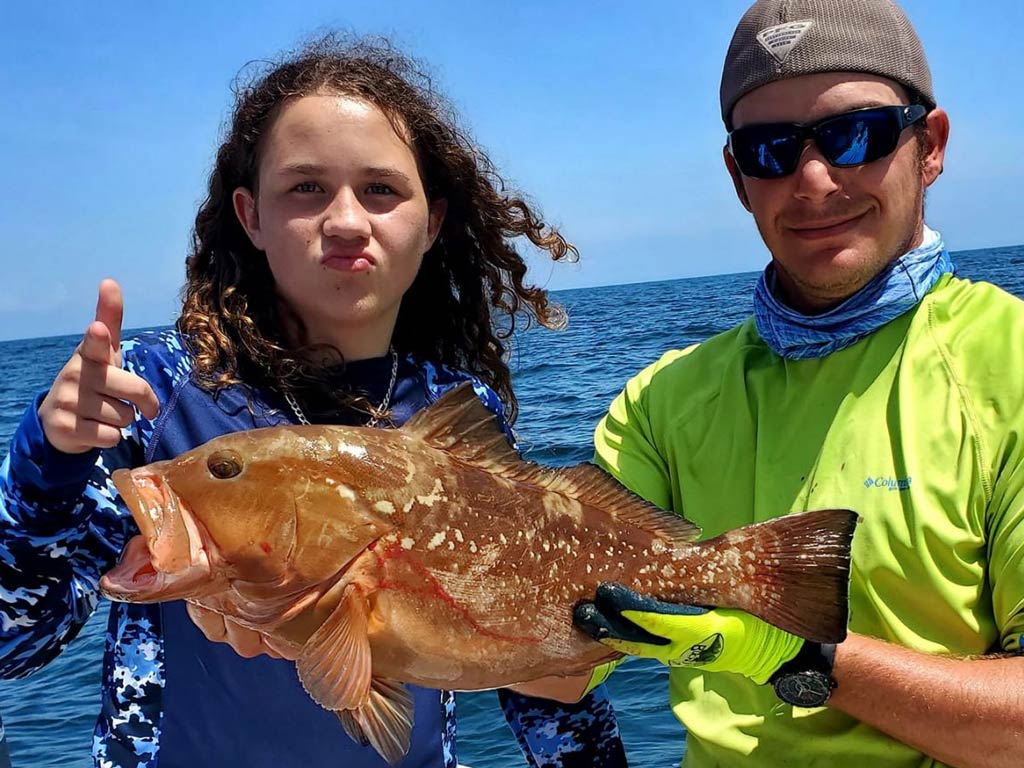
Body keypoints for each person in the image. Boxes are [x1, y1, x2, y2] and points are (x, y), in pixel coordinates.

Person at [0, 36, 627, 768]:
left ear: (431, 224)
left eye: (381, 190)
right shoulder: (155, 393)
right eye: (305, 188)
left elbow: (526, 659)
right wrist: (48, 464)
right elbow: (15, 644)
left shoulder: (456, 405)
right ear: (250, 215)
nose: (347, 221)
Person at [569, 1, 1024, 766]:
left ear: (931, 146)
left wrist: (793, 656)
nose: (813, 179)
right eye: (769, 149)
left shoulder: (1009, 365)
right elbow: (564, 659)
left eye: (859, 135)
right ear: (738, 177)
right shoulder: (659, 401)